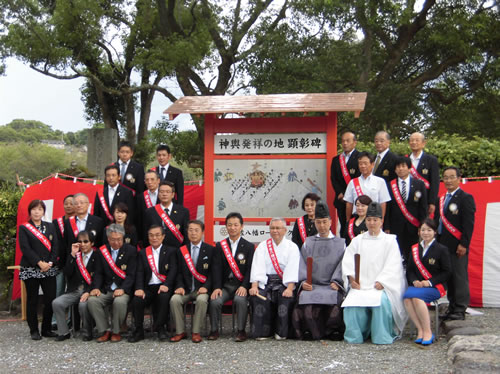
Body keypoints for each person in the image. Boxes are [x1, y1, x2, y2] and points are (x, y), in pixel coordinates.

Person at [342, 202, 407, 344]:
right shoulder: (357, 240)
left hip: (379, 285)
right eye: (369, 220)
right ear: (365, 221)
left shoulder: (389, 241)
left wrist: (383, 282)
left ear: (381, 221)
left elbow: (394, 265)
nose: (372, 223)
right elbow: (348, 261)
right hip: (361, 284)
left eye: (375, 220)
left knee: (381, 302)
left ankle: (381, 336)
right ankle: (355, 337)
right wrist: (352, 279)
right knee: (351, 303)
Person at [291, 201, 346, 340]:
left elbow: (343, 264)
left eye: (324, 222)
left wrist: (337, 281)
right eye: (318, 222)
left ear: (330, 222)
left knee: (334, 303)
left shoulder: (340, 243)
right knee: (306, 302)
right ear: (314, 223)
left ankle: (332, 331)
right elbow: (301, 263)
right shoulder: (308, 242)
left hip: (331, 284)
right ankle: (310, 331)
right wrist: (304, 281)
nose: (322, 226)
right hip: (312, 284)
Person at [249, 218, 300, 340]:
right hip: (266, 281)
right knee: (258, 296)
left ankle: (281, 332)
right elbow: (257, 267)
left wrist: (290, 288)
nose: (275, 231)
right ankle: (263, 332)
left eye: (278, 228)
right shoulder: (263, 246)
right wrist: (254, 286)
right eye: (272, 228)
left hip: (284, 282)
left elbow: (293, 268)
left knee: (285, 297)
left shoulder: (292, 247)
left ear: (285, 230)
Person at [436, 166, 476, 321]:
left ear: (459, 178)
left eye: (452, 177)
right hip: (443, 245)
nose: (448, 180)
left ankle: (460, 309)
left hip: (458, 245)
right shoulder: (441, 199)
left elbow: (468, 224)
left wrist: (464, 244)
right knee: (449, 277)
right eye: (445, 177)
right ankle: (452, 306)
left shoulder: (465, 198)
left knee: (459, 277)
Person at [404, 219, 452, 345]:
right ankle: (420, 330)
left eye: (429, 230)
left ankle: (428, 331)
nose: (426, 233)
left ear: (435, 232)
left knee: (416, 298)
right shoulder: (415, 248)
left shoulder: (441, 249)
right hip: (418, 286)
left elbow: (447, 272)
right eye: (423, 230)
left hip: (435, 286)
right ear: (419, 232)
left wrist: (429, 282)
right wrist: (414, 281)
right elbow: (410, 270)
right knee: (407, 298)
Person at [209, 212, 254, 342]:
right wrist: (217, 287)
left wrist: (245, 286)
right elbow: (216, 268)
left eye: (236, 225)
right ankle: (214, 330)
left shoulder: (249, 246)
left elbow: (250, 269)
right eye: (230, 225)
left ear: (241, 226)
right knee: (215, 300)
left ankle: (241, 331)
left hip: (240, 285)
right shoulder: (219, 246)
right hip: (225, 285)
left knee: (240, 301)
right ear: (226, 227)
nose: (233, 228)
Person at [87, 224, 137, 343]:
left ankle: (116, 331)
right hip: (107, 289)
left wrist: (123, 289)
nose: (116, 242)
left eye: (119, 239)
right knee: (92, 300)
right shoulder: (102, 251)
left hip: (123, 289)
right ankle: (105, 330)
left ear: (123, 238)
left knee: (119, 301)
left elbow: (131, 275)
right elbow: (98, 273)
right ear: (108, 239)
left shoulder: (131, 251)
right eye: (113, 239)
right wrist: (96, 288)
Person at [129, 225, 177, 342]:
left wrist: (167, 285)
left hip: (163, 286)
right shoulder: (143, 253)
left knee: (164, 298)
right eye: (151, 235)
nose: (154, 238)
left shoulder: (171, 251)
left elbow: (173, 271)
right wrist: (139, 288)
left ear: (163, 236)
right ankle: (139, 330)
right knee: (137, 300)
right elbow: (139, 272)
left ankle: (160, 328)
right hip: (148, 287)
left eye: (157, 235)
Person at [19, 200, 59, 340]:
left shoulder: (50, 226)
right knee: (32, 300)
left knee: (50, 299)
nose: (37, 212)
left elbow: (55, 247)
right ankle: (34, 330)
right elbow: (25, 248)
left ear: (43, 212)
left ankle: (46, 328)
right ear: (30, 211)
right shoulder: (24, 228)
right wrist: (39, 263)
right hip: (31, 268)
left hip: (48, 268)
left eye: (40, 209)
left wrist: (50, 263)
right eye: (34, 209)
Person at [170, 220, 216, 343]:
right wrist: (179, 286)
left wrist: (206, 286)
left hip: (201, 289)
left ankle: (196, 332)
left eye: (196, 230)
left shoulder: (210, 250)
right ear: (187, 232)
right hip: (186, 288)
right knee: (175, 299)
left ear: (202, 232)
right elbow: (178, 272)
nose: (193, 233)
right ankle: (180, 331)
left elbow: (213, 273)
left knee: (201, 300)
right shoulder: (181, 251)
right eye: (190, 230)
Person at [52, 231, 99, 342]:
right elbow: (67, 273)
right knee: (57, 303)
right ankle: (64, 332)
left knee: (83, 305)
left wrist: (88, 291)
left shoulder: (98, 256)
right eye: (80, 242)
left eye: (86, 241)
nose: (82, 244)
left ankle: (88, 332)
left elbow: (98, 278)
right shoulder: (74, 256)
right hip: (75, 290)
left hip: (90, 291)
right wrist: (72, 255)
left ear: (92, 243)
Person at [385, 156, 428, 262]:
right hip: (395, 226)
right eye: (398, 166)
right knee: (396, 255)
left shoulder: (419, 184)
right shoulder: (390, 185)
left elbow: (423, 207)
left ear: (409, 168)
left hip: (413, 226)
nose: (401, 169)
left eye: (403, 166)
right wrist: (387, 226)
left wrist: (423, 226)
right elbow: (387, 207)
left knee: (413, 255)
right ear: (395, 169)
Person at [343, 151, 391, 222]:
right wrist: (348, 220)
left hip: (374, 219)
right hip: (357, 218)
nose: (363, 166)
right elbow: (349, 203)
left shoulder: (380, 181)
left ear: (372, 164)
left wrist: (382, 219)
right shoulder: (352, 182)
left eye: (365, 163)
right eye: (360, 164)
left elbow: (383, 203)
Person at [330, 131, 361, 237]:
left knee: (357, 226)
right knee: (344, 226)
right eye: (343, 141)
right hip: (341, 199)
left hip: (357, 200)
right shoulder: (336, 160)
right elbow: (334, 179)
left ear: (355, 142)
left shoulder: (360, 158)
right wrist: (340, 193)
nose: (345, 143)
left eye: (348, 141)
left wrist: (348, 194)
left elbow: (358, 177)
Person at [143, 181, 189, 248]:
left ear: (173, 195)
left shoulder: (183, 212)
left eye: (167, 192)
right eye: (161, 192)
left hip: (177, 251)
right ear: (158, 194)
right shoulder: (150, 212)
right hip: (156, 252)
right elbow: (145, 235)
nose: (164, 194)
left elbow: (186, 236)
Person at [63, 193, 105, 267]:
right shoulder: (68, 222)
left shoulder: (98, 221)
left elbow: (101, 242)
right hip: (75, 262)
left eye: (82, 203)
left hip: (93, 261)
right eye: (76, 203)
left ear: (88, 204)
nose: (79, 205)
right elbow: (66, 243)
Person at [52, 194, 75, 323]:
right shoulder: (57, 223)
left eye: (71, 203)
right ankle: (55, 320)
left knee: (72, 291)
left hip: (73, 263)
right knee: (58, 290)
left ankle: (71, 319)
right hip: (60, 262)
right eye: (66, 203)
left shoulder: (78, 222)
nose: (68, 205)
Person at [408, 132, 440, 217]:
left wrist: (432, 202)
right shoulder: (405, 159)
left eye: (417, 140)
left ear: (423, 143)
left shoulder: (431, 160)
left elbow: (435, 182)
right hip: (407, 199)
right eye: (411, 140)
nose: (414, 142)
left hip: (424, 199)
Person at [137, 170, 161, 242]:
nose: (149, 182)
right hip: (146, 234)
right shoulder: (141, 197)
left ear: (158, 180)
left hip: (162, 234)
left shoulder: (165, 195)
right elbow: (139, 218)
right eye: (147, 180)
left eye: (152, 179)